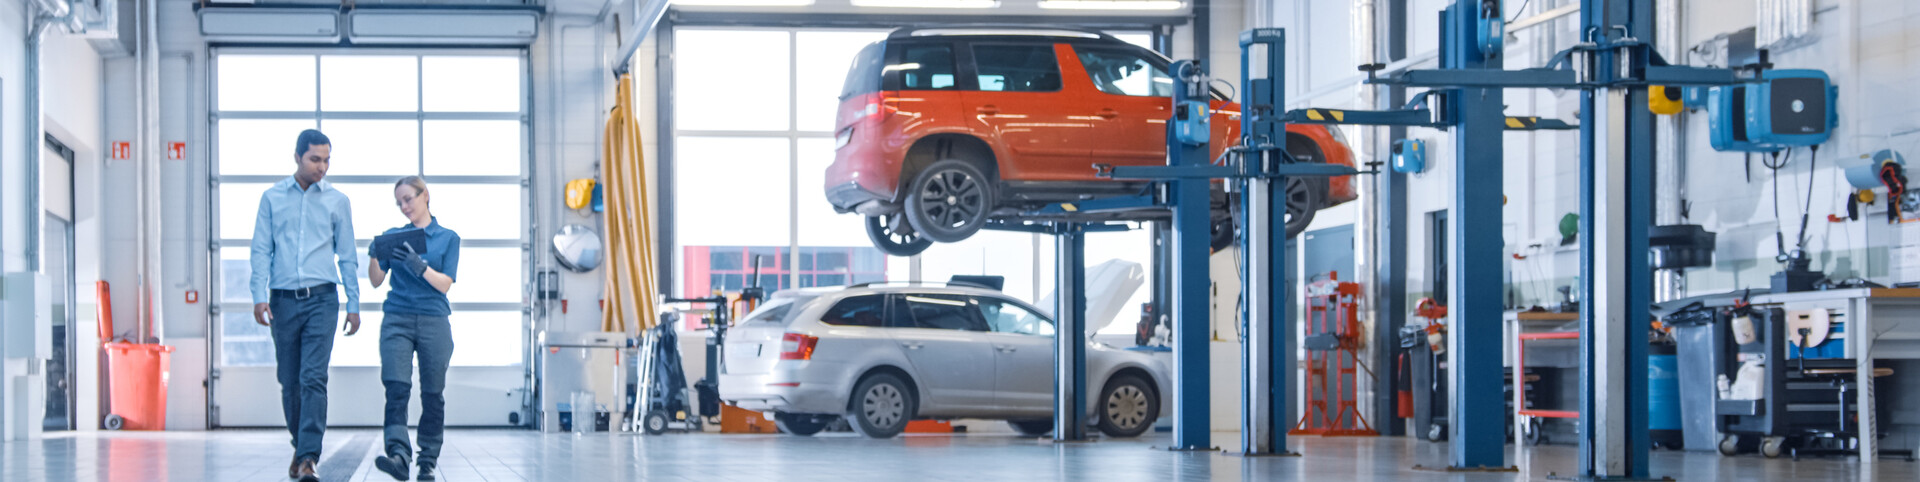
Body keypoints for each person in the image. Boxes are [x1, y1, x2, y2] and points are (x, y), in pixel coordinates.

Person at [250, 129, 361, 482]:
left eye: (327, 160)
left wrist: (353, 303)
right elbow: (260, 250)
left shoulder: (337, 201)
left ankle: (309, 456)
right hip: (283, 300)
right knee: (290, 380)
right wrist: (258, 294)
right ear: (297, 157)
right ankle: (300, 448)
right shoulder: (271, 198)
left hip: (323, 300)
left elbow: (347, 256)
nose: (322, 167)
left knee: (313, 377)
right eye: (315, 159)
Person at [369, 176, 461, 481]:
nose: (404, 206)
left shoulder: (447, 237)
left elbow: (445, 284)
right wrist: (375, 254)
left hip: (434, 319)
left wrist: (419, 266)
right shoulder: (393, 236)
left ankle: (427, 461)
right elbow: (376, 279)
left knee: (433, 394)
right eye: (399, 202)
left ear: (425, 195)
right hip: (397, 317)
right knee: (396, 388)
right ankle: (398, 455)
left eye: (408, 198)